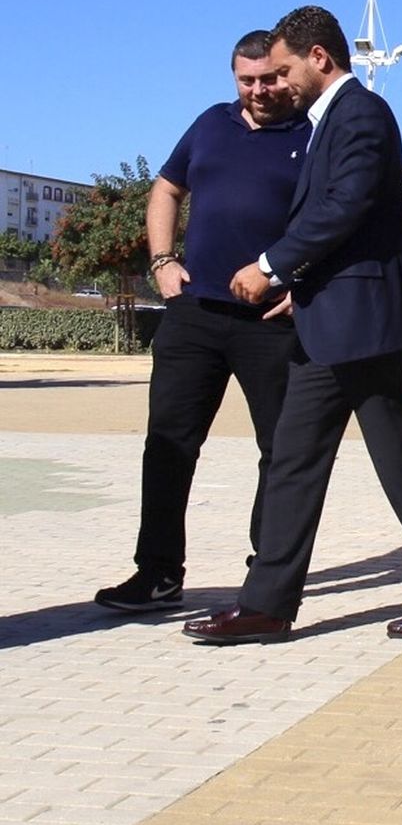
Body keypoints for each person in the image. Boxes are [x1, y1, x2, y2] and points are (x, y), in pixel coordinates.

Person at [182, 6, 402, 645]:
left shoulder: (361, 114)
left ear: (319, 57)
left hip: (363, 322)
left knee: (400, 460)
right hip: (328, 323)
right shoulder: (330, 121)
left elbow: (346, 206)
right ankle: (266, 604)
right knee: (293, 460)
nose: (279, 82)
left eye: (285, 70)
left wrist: (271, 266)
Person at [94, 31, 307, 613]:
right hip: (194, 314)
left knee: (282, 450)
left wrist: (307, 285)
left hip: (272, 320)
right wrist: (162, 261)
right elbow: (166, 188)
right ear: (234, 77)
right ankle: (158, 573)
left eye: (268, 78)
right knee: (168, 444)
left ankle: (267, 573)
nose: (258, 90)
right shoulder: (212, 122)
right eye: (246, 80)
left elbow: (340, 216)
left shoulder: (312, 132)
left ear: (285, 74)